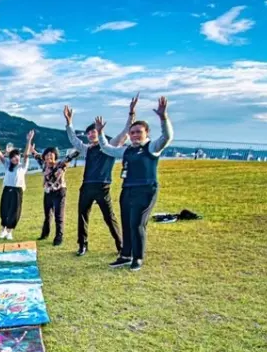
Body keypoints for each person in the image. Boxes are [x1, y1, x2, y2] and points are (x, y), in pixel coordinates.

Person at [95, 96, 174, 271]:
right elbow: (107, 148)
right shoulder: (128, 150)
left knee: (137, 224)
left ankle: (137, 258)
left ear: (146, 133)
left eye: (139, 132)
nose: (135, 135)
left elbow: (167, 136)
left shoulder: (152, 148)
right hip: (128, 190)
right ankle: (125, 255)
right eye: (133, 132)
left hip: (146, 190)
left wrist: (163, 118)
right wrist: (100, 133)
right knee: (126, 222)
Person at [64, 94, 138, 256]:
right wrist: (69, 123)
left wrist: (131, 113)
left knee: (109, 218)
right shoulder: (87, 149)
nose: (90, 134)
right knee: (82, 215)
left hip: (103, 186)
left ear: (99, 132)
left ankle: (121, 245)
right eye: (88, 133)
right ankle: (82, 245)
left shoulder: (110, 146)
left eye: (93, 132)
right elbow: (74, 140)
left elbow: (126, 132)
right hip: (87, 186)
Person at [0, 130, 34, 240]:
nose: (15, 158)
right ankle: (3, 229)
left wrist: (29, 140)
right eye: (12, 157)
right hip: (7, 189)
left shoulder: (23, 166)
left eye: (16, 156)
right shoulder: (8, 165)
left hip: (17, 191)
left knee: (14, 211)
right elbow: (0, 156)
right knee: (4, 209)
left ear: (19, 157)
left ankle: (10, 231)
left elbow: (27, 154)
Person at [34, 147, 80, 246]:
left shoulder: (60, 164)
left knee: (58, 216)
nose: (48, 157)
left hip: (59, 192)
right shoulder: (44, 165)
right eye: (46, 155)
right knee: (47, 215)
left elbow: (70, 157)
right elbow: (36, 156)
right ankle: (45, 234)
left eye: (51, 154)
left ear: (55, 156)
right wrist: (31, 147)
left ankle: (59, 237)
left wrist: (80, 149)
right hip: (48, 192)